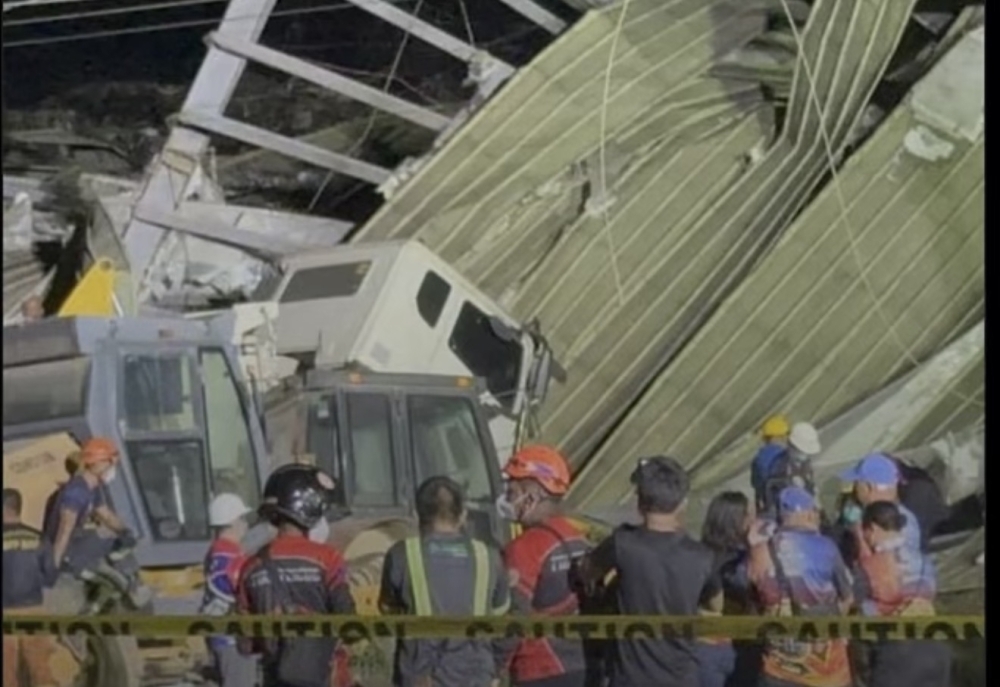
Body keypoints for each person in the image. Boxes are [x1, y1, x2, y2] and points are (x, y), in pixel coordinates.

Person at [578, 456, 722, 687]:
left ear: (639, 503)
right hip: (682, 679)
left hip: (630, 679)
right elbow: (716, 607)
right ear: (683, 502)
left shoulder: (622, 544)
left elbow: (587, 573)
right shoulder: (702, 556)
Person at [379, 476, 509, 687]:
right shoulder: (489, 556)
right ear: (463, 515)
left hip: (421, 678)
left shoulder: (401, 554)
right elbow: (501, 613)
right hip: (476, 677)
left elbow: (387, 608)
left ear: (417, 515)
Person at [237, 464, 356, 687]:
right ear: (309, 508)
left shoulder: (250, 567)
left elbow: (245, 644)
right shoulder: (327, 559)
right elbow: (350, 625)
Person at [497, 445, 594, 687]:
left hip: (539, 670)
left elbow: (514, 616)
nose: (506, 499)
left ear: (531, 497)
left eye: (511, 491)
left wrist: (494, 667)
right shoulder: (578, 538)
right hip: (584, 665)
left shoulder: (524, 548)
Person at [748, 487, 853, 687]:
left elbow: (751, 592)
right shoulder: (827, 547)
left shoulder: (762, 550)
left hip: (779, 665)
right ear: (807, 513)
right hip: (825, 666)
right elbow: (847, 597)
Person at [45, 437, 152, 609]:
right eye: (111, 462)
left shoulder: (91, 488)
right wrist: (53, 566)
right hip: (71, 553)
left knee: (117, 548)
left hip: (78, 545)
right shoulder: (76, 492)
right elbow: (64, 532)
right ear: (100, 463)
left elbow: (107, 516)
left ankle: (98, 608)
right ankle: (132, 588)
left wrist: (125, 532)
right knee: (112, 567)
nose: (113, 468)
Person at [855, 501, 949, 687]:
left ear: (872, 529)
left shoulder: (868, 568)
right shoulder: (925, 561)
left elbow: (865, 617)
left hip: (897, 657)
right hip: (936, 648)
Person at [698, 491, 759, 687]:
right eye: (749, 514)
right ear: (736, 520)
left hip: (706, 645)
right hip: (734, 645)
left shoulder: (700, 553)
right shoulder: (738, 562)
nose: (754, 519)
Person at [3, 488, 59, 687]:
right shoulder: (38, 537)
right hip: (34, 610)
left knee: (6, 674)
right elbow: (51, 575)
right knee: (41, 669)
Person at [201, 493, 258, 687]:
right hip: (233, 639)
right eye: (242, 519)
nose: (245, 524)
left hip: (221, 636)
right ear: (233, 521)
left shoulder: (217, 553)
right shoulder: (231, 557)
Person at [838, 454, 923, 553]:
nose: (854, 489)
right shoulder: (904, 518)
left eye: (856, 483)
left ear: (868, 487)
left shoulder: (893, 524)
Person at [759, 423, 822, 519]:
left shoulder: (806, 464)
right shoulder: (778, 465)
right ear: (791, 446)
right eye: (801, 451)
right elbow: (771, 490)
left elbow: (809, 485)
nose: (804, 456)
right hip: (787, 515)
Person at [752, 415, 791, 512]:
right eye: (786, 434)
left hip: (766, 505)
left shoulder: (758, 458)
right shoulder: (783, 455)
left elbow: (754, 483)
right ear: (778, 436)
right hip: (784, 505)